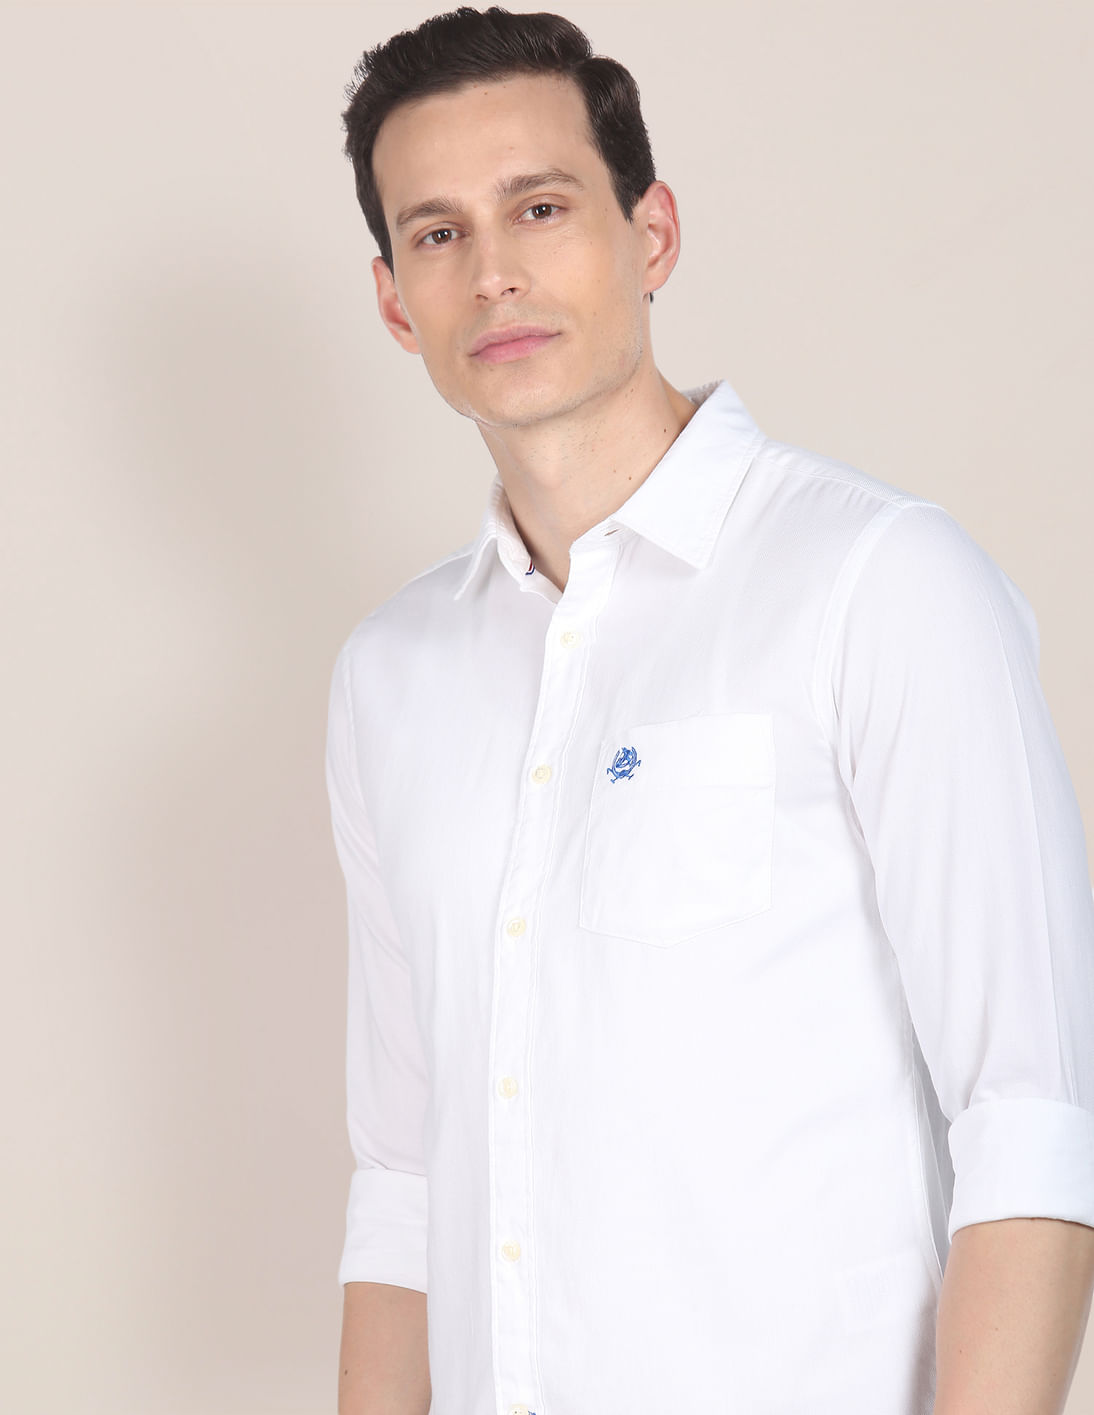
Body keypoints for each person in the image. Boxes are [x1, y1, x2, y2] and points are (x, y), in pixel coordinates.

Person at [325, 7, 1094, 1414]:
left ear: (652, 234)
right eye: (437, 233)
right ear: (394, 301)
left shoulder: (878, 582)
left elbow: (1031, 1118)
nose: (493, 273)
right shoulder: (390, 677)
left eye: (540, 207)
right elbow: (402, 1177)